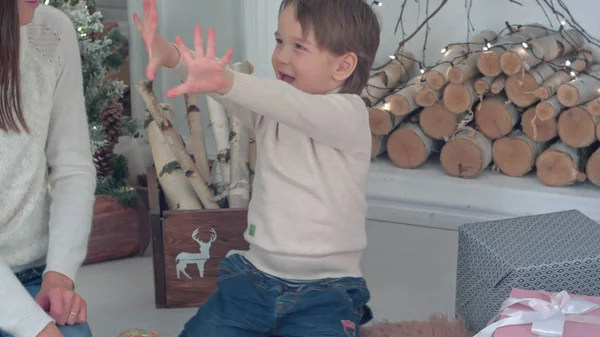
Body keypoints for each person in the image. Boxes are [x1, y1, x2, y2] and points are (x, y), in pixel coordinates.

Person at [134, 0, 380, 335]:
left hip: (327, 291)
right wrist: (173, 56)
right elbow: (226, 89)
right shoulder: (269, 110)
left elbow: (288, 103)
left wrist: (224, 80)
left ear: (342, 66)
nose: (281, 56)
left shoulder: (349, 115)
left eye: (299, 47)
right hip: (254, 280)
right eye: (279, 41)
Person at [0, 1, 97, 337]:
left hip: (32, 273)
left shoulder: (52, 32)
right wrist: (35, 327)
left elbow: (72, 166)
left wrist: (59, 274)